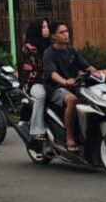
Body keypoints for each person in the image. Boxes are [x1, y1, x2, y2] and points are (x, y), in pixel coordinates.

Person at [43, 21, 95, 154]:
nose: (66, 34)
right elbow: (52, 73)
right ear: (54, 36)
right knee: (71, 99)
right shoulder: (49, 53)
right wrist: (65, 82)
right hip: (55, 89)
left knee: (92, 100)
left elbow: (87, 67)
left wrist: (103, 76)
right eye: (62, 32)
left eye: (66, 31)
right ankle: (70, 137)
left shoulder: (71, 51)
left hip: (73, 86)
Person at [20, 18, 51, 148]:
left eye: (47, 27)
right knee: (41, 95)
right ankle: (36, 130)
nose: (47, 29)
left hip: (51, 80)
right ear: (37, 30)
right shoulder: (29, 48)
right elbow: (31, 70)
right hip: (33, 83)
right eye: (44, 27)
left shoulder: (51, 44)